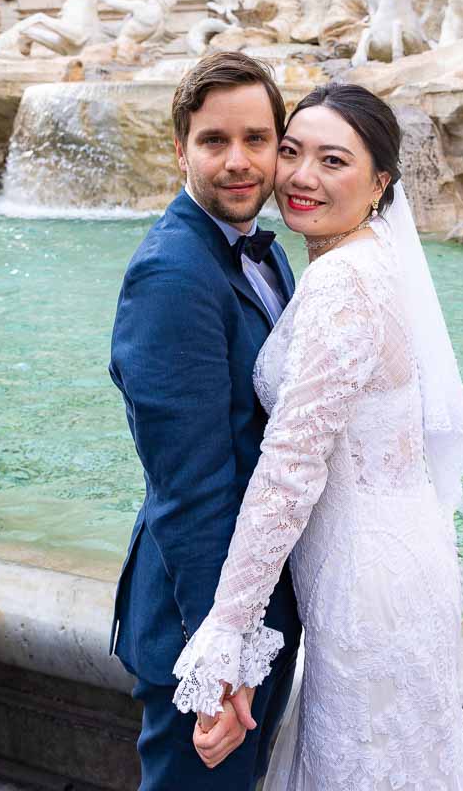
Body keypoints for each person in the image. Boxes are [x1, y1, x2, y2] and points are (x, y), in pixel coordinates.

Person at [172, 82, 463, 790]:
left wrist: (226, 638)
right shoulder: (371, 253)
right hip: (400, 554)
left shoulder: (343, 283)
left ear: (381, 181)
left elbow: (291, 466)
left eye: (333, 161)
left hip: (365, 583)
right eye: (291, 152)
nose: (300, 177)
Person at [109, 51, 301, 790]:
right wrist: (222, 658)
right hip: (206, 625)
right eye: (213, 141)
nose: (238, 161)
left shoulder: (266, 254)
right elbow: (189, 484)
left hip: (254, 606)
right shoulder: (171, 273)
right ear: (180, 148)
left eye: (256, 139)